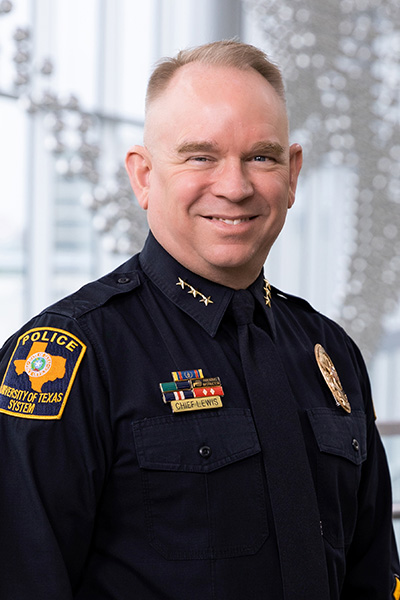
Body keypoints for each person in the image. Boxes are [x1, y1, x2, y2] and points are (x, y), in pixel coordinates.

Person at [0, 40, 399, 600]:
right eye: (200, 157)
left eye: (261, 157)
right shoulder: (70, 358)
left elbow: (373, 576)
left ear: (292, 174)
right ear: (143, 176)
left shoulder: (331, 352)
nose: (234, 187)